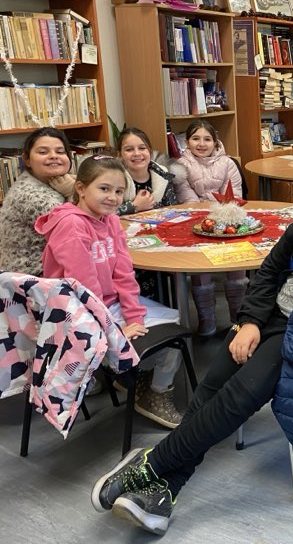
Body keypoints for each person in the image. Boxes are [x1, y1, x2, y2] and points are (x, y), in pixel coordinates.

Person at [91, 154, 293, 535]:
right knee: (209, 390)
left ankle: (150, 465)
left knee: (237, 398)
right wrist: (251, 321)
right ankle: (168, 488)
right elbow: (269, 272)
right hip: (269, 319)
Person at [35, 156, 183, 428]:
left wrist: (134, 316)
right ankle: (150, 389)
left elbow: (124, 274)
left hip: (105, 305)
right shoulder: (71, 224)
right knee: (170, 337)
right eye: (104, 189)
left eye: (119, 191)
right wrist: (113, 329)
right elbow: (84, 288)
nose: (113, 198)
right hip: (77, 314)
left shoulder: (111, 221)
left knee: (176, 321)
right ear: (81, 188)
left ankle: (137, 379)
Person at [175, 120, 246, 337]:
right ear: (187, 142)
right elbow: (188, 201)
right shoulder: (180, 166)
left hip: (227, 221)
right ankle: (207, 319)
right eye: (195, 138)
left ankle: (238, 318)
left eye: (207, 139)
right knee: (201, 269)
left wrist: (221, 218)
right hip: (196, 224)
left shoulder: (228, 163)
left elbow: (234, 198)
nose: (201, 144)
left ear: (215, 142)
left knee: (237, 263)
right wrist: (206, 218)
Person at [0, 127, 74, 275]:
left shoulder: (57, 182)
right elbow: (76, 230)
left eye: (60, 152)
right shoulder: (30, 194)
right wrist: (74, 193)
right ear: (27, 160)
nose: (53, 156)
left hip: (56, 266)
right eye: (43, 152)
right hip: (34, 277)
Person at [116, 128, 183, 215]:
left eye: (142, 148)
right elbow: (106, 213)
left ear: (150, 152)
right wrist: (134, 206)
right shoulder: (115, 179)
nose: (137, 153)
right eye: (129, 149)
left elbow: (172, 209)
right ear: (120, 154)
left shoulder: (163, 175)